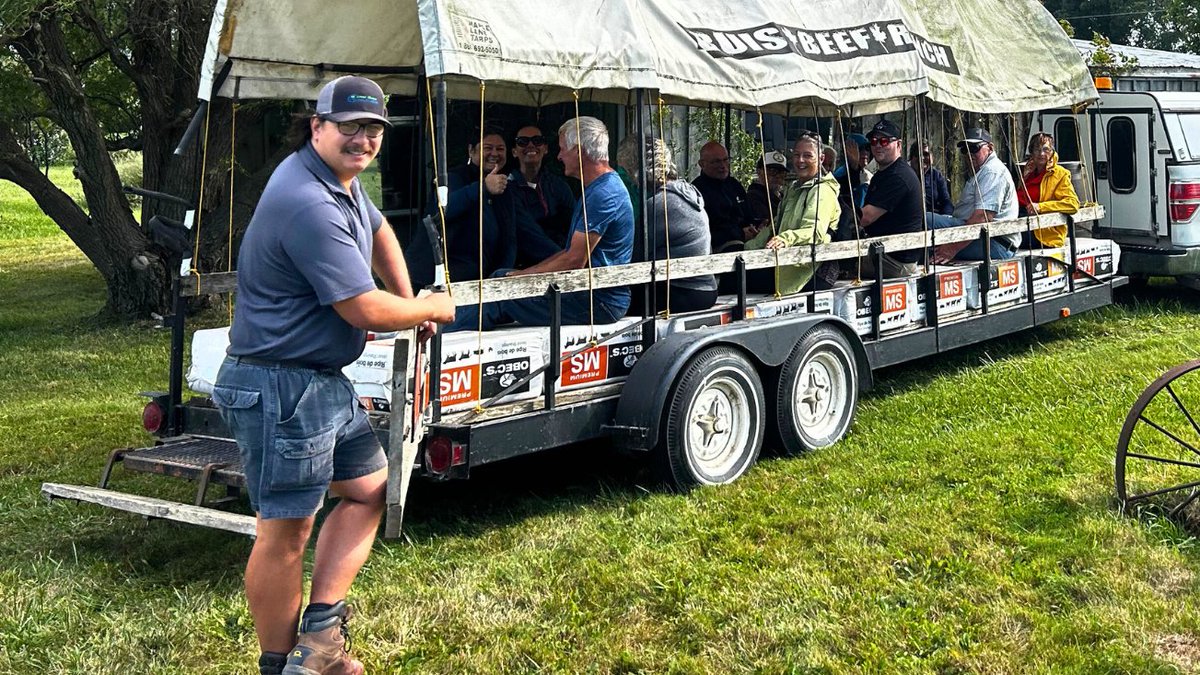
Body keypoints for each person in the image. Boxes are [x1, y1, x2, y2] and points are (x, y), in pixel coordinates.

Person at [212, 76, 455, 675]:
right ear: (316, 125)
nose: (363, 139)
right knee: (285, 534)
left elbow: (378, 231)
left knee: (371, 489)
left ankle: (319, 640)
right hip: (281, 386)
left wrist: (408, 294)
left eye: (373, 129)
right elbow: (361, 309)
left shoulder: (336, 182)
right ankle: (281, 666)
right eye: (349, 127)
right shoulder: (310, 201)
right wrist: (431, 307)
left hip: (318, 382)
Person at [446, 116, 634, 331]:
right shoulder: (598, 188)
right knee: (501, 279)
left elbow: (574, 260)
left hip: (597, 301)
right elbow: (568, 252)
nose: (560, 155)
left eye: (563, 149)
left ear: (579, 151)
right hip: (588, 292)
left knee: (501, 295)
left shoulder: (603, 193)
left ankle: (434, 339)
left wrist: (520, 277)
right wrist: (517, 275)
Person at [406, 126, 516, 287]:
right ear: (471, 151)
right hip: (437, 279)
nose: (494, 153)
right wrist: (482, 187)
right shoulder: (453, 178)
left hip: (484, 281)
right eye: (487, 148)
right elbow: (443, 211)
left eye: (500, 149)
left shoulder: (504, 187)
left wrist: (504, 273)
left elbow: (511, 236)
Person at [618, 135, 718, 314]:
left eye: (627, 170)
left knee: (612, 301)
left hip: (684, 291)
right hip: (704, 288)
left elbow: (633, 255)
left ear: (638, 171)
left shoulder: (661, 204)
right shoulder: (685, 193)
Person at [744, 133, 841, 295]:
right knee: (735, 276)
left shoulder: (822, 190)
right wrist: (748, 248)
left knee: (740, 284)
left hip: (812, 269)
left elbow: (814, 231)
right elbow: (776, 225)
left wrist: (785, 239)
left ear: (821, 158)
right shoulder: (794, 189)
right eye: (797, 155)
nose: (800, 160)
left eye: (807, 156)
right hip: (786, 263)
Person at [929, 127, 1019, 262]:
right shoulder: (982, 171)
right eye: (965, 150)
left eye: (974, 148)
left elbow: (983, 217)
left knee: (924, 219)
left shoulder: (992, 171)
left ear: (990, 147)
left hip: (995, 243)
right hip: (983, 237)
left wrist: (951, 248)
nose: (969, 153)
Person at [858, 119, 925, 277]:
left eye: (884, 141)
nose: (878, 145)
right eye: (874, 141)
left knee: (833, 262)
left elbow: (865, 218)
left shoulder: (899, 176)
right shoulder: (882, 174)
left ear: (899, 145)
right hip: (882, 251)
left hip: (895, 260)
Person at [509, 124, 577, 266]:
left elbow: (574, 225)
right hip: (522, 265)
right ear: (514, 151)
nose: (531, 145)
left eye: (537, 140)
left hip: (562, 261)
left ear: (545, 149)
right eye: (523, 141)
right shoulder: (507, 188)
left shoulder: (559, 186)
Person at [1017, 132, 1080, 248]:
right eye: (1037, 149)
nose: (1041, 154)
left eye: (1046, 150)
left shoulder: (1060, 174)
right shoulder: (1028, 172)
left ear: (1052, 152)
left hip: (1043, 232)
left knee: (1004, 240)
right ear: (1031, 152)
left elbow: (1073, 204)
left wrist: (1040, 207)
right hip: (1020, 219)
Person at [692, 140, 756, 251]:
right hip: (719, 247)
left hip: (748, 241)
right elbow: (705, 230)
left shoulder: (734, 185)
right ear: (702, 164)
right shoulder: (696, 191)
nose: (722, 166)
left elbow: (748, 215)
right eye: (716, 162)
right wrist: (740, 234)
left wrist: (756, 226)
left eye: (726, 160)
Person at [909, 141, 953, 216]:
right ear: (911, 158)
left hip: (932, 219)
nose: (922, 158)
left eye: (926, 154)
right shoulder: (906, 175)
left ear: (932, 157)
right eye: (917, 155)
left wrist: (946, 217)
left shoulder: (936, 175)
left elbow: (946, 201)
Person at [746, 150, 789, 226]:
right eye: (772, 171)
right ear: (759, 172)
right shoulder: (754, 197)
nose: (778, 176)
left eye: (782, 173)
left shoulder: (783, 197)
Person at [832, 132, 871, 211]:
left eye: (867, 149)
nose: (865, 153)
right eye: (859, 149)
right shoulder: (840, 175)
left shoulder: (867, 174)